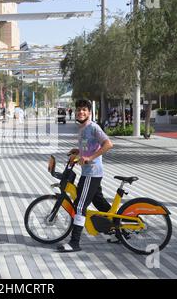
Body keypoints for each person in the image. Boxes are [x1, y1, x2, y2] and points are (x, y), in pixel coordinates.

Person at [57, 99, 114, 253]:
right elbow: (88, 147)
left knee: (80, 206)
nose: (81, 112)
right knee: (100, 203)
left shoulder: (93, 127)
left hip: (92, 173)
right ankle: (118, 231)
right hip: (88, 172)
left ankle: (75, 242)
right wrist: (78, 152)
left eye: (84, 110)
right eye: (79, 109)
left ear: (89, 112)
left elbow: (108, 144)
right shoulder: (82, 128)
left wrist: (90, 158)